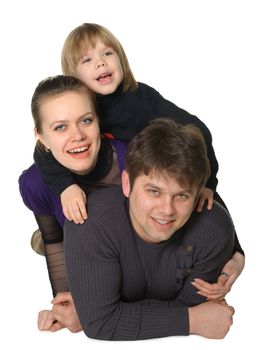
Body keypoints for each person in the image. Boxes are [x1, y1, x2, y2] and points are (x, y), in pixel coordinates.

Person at [47, 118, 236, 340]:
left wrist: (102, 311)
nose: (167, 210)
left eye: (182, 195)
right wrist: (192, 320)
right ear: (126, 184)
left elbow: (187, 304)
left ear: (197, 195)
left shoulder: (214, 231)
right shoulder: (89, 223)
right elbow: (100, 324)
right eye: (154, 192)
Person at [19, 75, 128, 296]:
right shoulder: (35, 183)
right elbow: (54, 241)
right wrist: (65, 298)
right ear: (41, 138)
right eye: (60, 127)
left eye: (86, 120)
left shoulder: (130, 160)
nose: (78, 136)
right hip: (78, 247)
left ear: (98, 121)